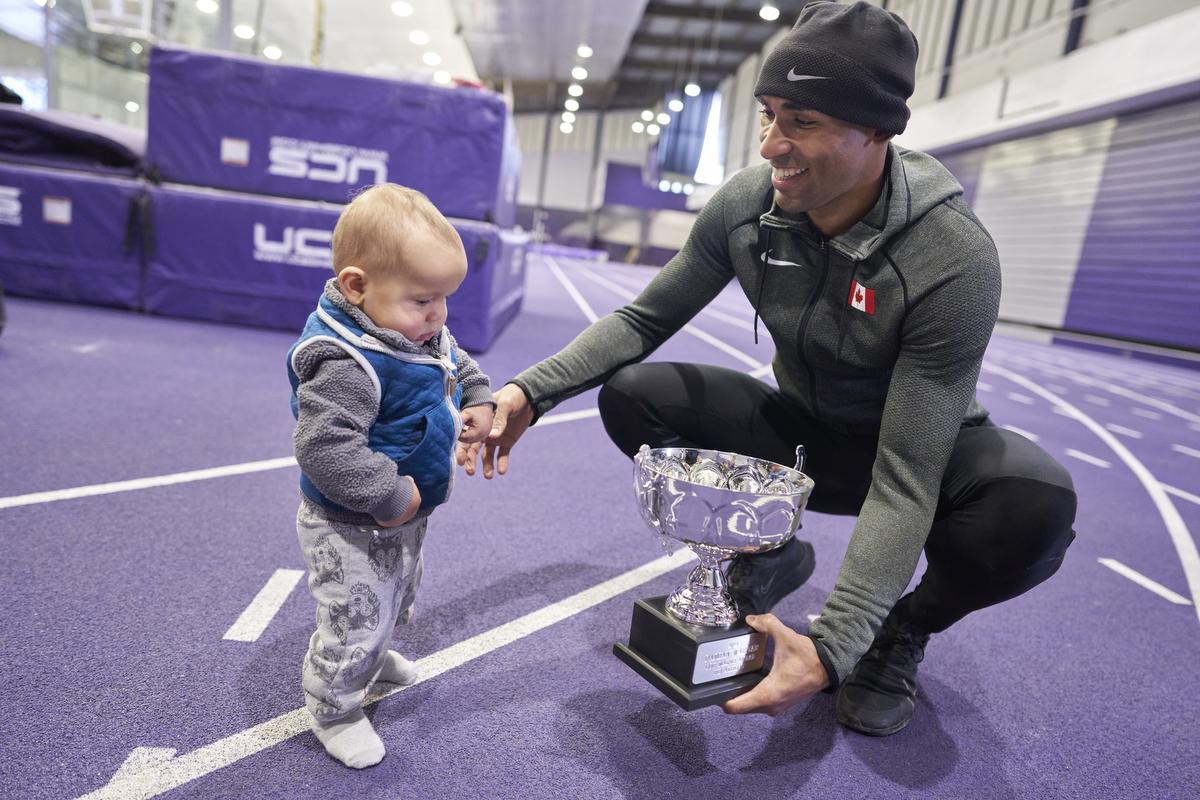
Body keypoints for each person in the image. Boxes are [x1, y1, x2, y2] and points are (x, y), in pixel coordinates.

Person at [460, 1, 1076, 736]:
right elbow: (641, 322)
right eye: (769, 113)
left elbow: (908, 473)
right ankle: (767, 550)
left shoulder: (952, 259)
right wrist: (533, 389)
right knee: (637, 397)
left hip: (915, 448)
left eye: (802, 122)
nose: (771, 144)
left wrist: (835, 644)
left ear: (878, 130)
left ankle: (901, 632)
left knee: (1032, 507)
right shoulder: (749, 207)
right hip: (804, 434)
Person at [287, 184, 495, 767]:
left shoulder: (410, 330)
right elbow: (324, 446)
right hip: (351, 521)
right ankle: (333, 707)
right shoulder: (346, 361)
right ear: (357, 286)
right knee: (356, 616)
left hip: (403, 514)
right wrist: (387, 493)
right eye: (424, 300)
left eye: (444, 300)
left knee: (396, 595)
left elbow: (454, 358)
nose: (439, 316)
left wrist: (477, 395)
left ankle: (373, 658)